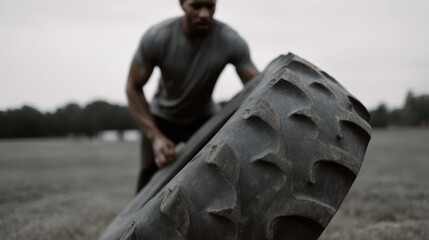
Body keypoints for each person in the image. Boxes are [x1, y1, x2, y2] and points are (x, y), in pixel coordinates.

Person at [127, 0, 259, 193]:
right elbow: (133, 87)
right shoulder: (157, 36)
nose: (204, 13)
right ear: (182, 4)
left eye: (210, 6)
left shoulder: (230, 40)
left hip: (203, 119)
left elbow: (257, 85)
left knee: (216, 178)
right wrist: (154, 137)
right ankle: (134, 222)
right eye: (196, 6)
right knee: (148, 181)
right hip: (161, 119)